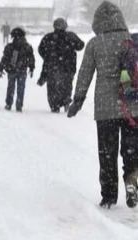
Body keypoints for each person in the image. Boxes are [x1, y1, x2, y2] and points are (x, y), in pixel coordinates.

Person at [67, 1, 138, 209]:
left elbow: (85, 73)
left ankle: (108, 196)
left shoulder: (95, 43)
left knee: (107, 152)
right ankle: (132, 180)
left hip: (106, 108)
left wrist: (78, 99)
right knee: (131, 149)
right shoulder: (131, 41)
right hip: (132, 106)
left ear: (97, 21)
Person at [38, 18, 84, 113]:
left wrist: (48, 57)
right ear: (65, 26)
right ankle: (66, 100)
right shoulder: (70, 36)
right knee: (67, 85)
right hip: (68, 66)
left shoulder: (49, 37)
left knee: (52, 86)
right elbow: (81, 45)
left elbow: (40, 49)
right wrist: (71, 46)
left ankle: (54, 105)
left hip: (52, 66)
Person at [0, 27, 35, 112]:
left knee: (11, 87)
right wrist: (31, 68)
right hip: (22, 70)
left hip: (11, 70)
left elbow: (5, 58)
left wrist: (1, 68)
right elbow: (31, 58)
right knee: (21, 88)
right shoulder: (27, 47)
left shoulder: (10, 47)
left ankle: (8, 103)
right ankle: (19, 104)